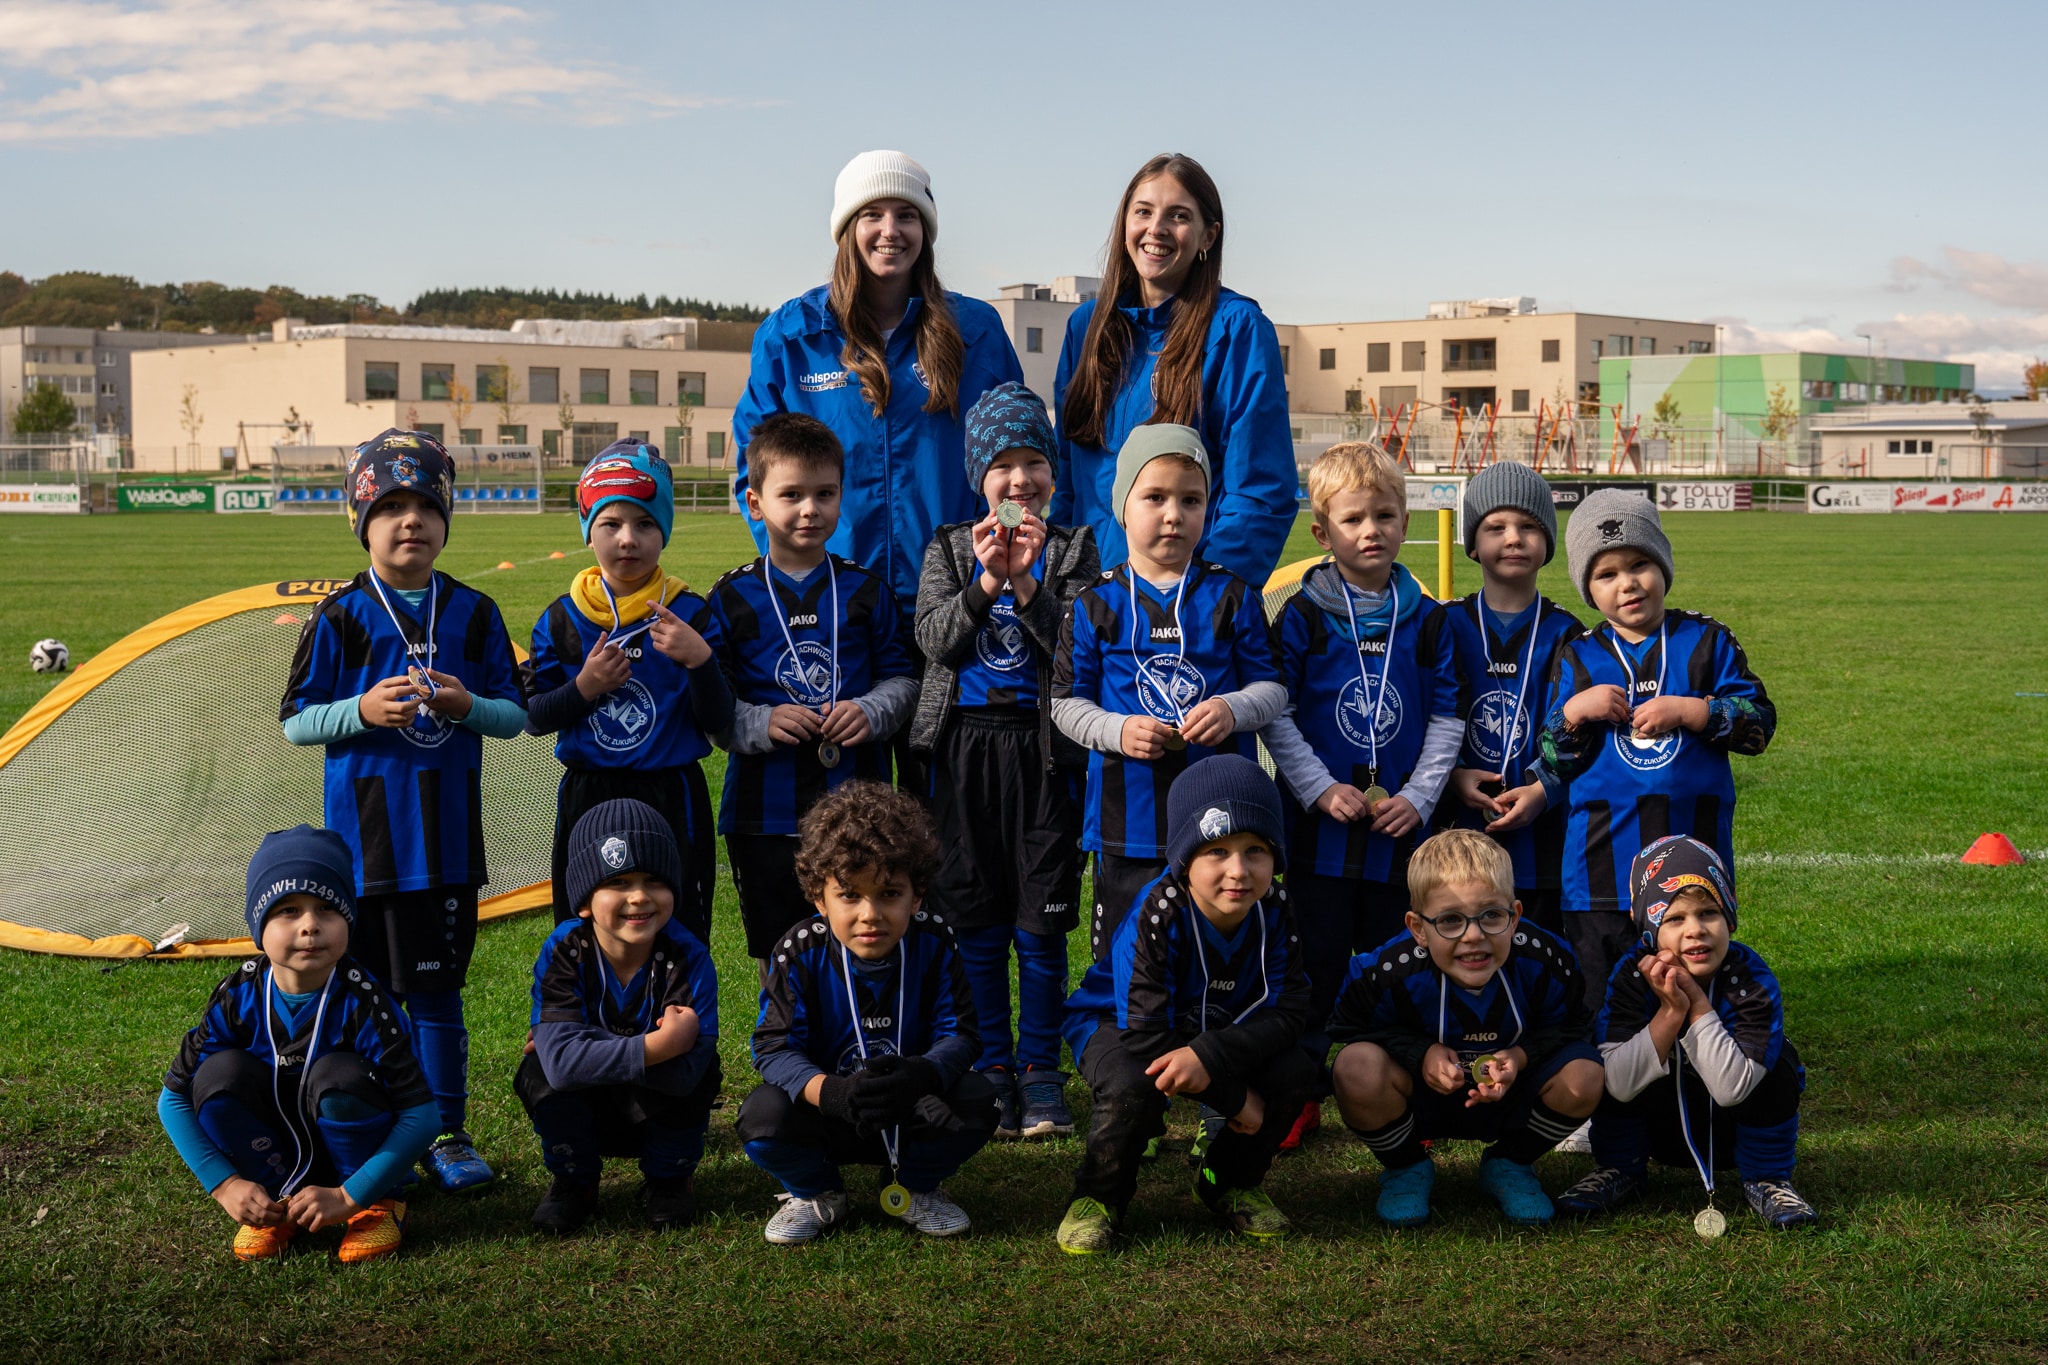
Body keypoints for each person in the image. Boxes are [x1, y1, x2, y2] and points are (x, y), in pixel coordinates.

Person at [280, 428, 527, 1194]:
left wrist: (466, 704)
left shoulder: (476, 613)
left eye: (425, 503)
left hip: (445, 847)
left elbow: (514, 716)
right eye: (390, 505)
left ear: (447, 516)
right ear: (363, 519)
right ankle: (384, 1129)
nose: (410, 519)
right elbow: (295, 720)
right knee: (370, 999)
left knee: (437, 999)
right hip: (365, 851)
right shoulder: (342, 616)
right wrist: (359, 708)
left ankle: (447, 1131)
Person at [910, 381, 1100, 1140]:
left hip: (1044, 752)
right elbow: (932, 640)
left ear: (1052, 476)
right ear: (979, 480)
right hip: (963, 753)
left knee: (1041, 922)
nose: (1019, 481)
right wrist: (988, 577)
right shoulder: (951, 546)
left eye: (1033, 465)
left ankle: (1040, 1070)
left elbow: (1078, 646)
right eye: (1003, 467)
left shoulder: (1074, 547)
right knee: (977, 918)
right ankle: (992, 1064)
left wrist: (1026, 582)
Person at [1262, 442, 1462, 1148]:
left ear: (1407, 521)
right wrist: (1317, 789)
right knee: (1312, 966)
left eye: (1385, 514)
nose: (1370, 529)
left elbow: (1447, 716)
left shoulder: (1429, 617)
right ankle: (1303, 1090)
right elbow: (1276, 710)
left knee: (1397, 966)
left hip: (1396, 832)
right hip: (1319, 831)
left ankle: (1402, 1087)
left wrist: (1419, 796)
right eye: (1353, 518)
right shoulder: (1302, 614)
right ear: (1322, 532)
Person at [732, 149, 1025, 618]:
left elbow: (1017, 469)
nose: (890, 230)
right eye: (872, 214)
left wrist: (1005, 553)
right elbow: (755, 473)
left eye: (907, 215)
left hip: (959, 602)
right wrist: (796, 568)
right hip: (838, 603)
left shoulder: (977, 332)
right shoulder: (791, 337)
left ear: (925, 230)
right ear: (848, 229)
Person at [1055, 755, 1316, 1254]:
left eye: (1255, 850)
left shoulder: (1277, 908)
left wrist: (1212, 1059)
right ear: (1183, 860)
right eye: (1216, 851)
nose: (1238, 870)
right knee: (1134, 1085)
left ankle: (1226, 1180)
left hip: (1213, 1033)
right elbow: (1144, 1032)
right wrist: (1234, 1098)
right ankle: (1098, 1197)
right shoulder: (1157, 914)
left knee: (1293, 1075)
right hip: (1122, 1025)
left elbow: (1289, 1011)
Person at [1052, 424, 1286, 962]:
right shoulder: (1094, 603)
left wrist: (1233, 708)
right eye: (1154, 497)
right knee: (1126, 956)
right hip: (1125, 817)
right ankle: (1124, 1039)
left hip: (1222, 823)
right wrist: (1115, 729)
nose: (1173, 514)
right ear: (1122, 507)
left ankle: (1210, 1037)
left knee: (1216, 950)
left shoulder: (1233, 595)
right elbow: (1064, 703)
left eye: (1191, 499)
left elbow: (1272, 688)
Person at [1538, 489, 1776, 1013]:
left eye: (1640, 563)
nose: (1627, 583)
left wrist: (1696, 713)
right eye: (1606, 574)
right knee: (1604, 1005)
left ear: (1663, 564)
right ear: (1588, 588)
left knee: (1693, 998)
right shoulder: (1577, 656)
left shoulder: (1707, 641)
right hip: (1599, 875)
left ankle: (1693, 1086)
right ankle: (1612, 1090)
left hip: (1692, 879)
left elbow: (1760, 724)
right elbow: (1554, 757)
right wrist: (1576, 712)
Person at [158, 826, 439, 1263]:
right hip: (274, 1155)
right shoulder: (237, 997)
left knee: (340, 1078)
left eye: (327, 908)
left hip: (356, 1165)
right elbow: (172, 1101)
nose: (310, 925)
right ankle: (277, 1207)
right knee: (217, 1078)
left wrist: (349, 1196)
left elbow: (421, 1117)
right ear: (258, 925)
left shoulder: (369, 1003)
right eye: (287, 910)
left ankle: (376, 1206)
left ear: (348, 920)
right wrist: (225, 1185)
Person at [736, 782, 999, 1245]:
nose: (870, 913)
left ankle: (915, 1186)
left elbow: (961, 1035)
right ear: (819, 898)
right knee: (762, 1116)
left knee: (981, 1099)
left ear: (916, 897)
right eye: (850, 895)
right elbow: (773, 1047)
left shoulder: (936, 941)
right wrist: (833, 1093)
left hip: (910, 1106)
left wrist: (920, 1075)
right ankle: (816, 1190)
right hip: (830, 1107)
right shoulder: (798, 952)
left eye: (889, 893)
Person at [706, 413, 918, 965]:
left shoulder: (867, 590)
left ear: (842, 496)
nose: (810, 509)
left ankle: (861, 1048)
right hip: (763, 815)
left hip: (860, 810)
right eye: (792, 494)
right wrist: (761, 722)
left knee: (861, 943)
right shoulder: (730, 599)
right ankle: (782, 1051)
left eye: (825, 493)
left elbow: (904, 679)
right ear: (755, 503)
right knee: (778, 952)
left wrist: (871, 711)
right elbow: (712, 705)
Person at [1328, 829, 1605, 1227]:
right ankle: (1406, 1167)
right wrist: (1418, 1052)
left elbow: (1577, 1026)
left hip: (1514, 1095)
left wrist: (1521, 1057)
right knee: (1355, 1067)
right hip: (1422, 1099)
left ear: (1516, 916)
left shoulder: (1548, 961)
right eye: (1450, 920)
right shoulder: (1383, 972)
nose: (1473, 936)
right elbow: (1346, 1028)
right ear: (1417, 927)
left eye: (1492, 915)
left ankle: (1510, 1163)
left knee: (1586, 1073)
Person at [1051, 152, 1296, 586]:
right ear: (1124, 222)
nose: (1156, 229)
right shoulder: (1085, 328)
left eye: (1178, 216)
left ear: (1208, 236)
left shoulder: (1238, 329)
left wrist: (1212, 594)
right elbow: (1070, 480)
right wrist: (1068, 584)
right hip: (1091, 603)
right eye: (1143, 211)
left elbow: (1260, 490)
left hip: (1189, 603)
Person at [525, 441, 733, 939]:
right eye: (611, 524)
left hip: (671, 791)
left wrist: (699, 660)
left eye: (645, 524)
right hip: (588, 792)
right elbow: (533, 717)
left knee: (677, 932)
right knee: (581, 933)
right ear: (588, 531)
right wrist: (583, 688)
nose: (628, 539)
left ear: (664, 530)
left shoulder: (693, 614)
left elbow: (721, 723)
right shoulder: (561, 619)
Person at [1556, 836, 1816, 1228]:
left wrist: (1694, 1002)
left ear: (1729, 919)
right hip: (1658, 1130)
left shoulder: (1751, 978)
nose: (1695, 930)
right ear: (1648, 929)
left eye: (1708, 913)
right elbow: (1620, 1085)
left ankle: (1767, 1177)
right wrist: (1668, 1014)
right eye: (1674, 919)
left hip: (1729, 1132)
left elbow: (1732, 1088)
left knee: (1778, 1064)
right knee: (1601, 1061)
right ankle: (1620, 1167)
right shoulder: (1632, 975)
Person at [518, 800, 722, 1234]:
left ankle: (669, 1178)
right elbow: (559, 1066)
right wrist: (660, 1044)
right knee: (538, 1072)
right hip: (595, 1102)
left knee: (704, 1071)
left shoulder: (688, 956)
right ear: (585, 901)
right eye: (618, 881)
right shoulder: (564, 950)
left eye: (653, 880)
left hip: (656, 1099)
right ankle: (574, 1183)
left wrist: (586, 1044)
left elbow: (687, 1072)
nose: (639, 896)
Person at [1440, 462, 1586, 936]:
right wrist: (1452, 774)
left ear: (1547, 542)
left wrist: (1546, 791)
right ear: (1472, 543)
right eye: (1496, 526)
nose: (1514, 538)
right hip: (1456, 828)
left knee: (1539, 959)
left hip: (1543, 838)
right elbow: (1424, 718)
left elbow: (1585, 738)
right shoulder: (1444, 625)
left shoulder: (1570, 634)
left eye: (1529, 526)